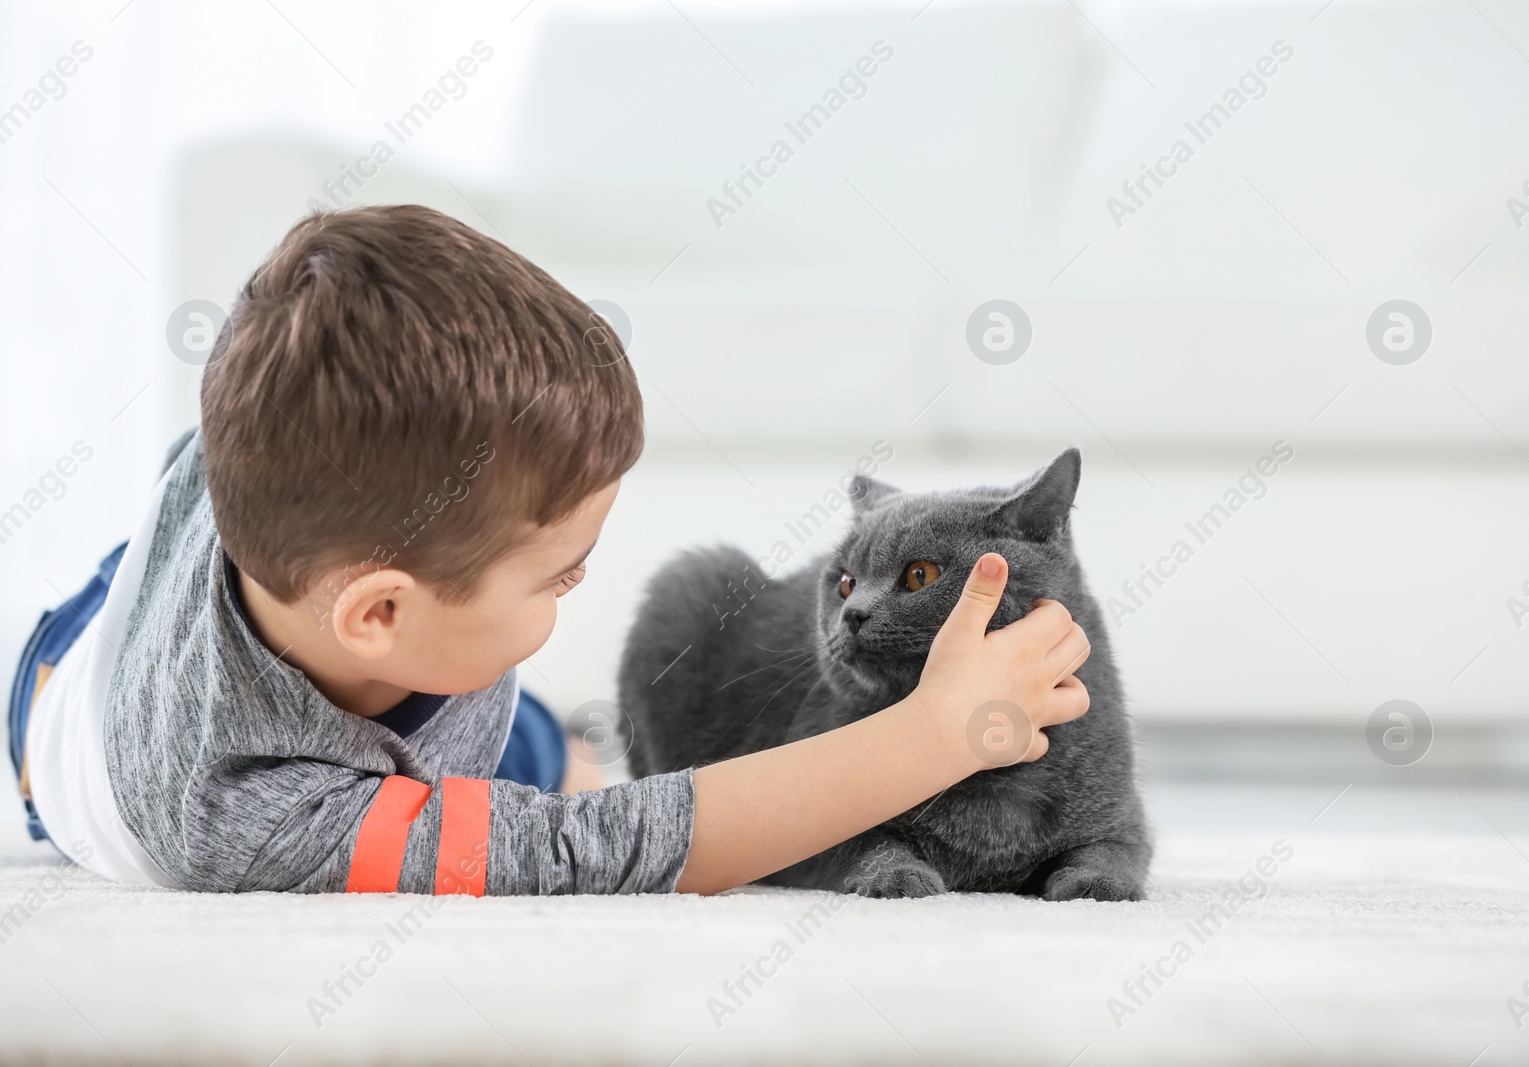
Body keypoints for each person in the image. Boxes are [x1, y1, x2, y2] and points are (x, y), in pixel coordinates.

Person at [7, 204, 1091, 897]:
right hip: (74, 690)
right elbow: (620, 845)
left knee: (512, 733)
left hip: (207, 548)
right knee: (548, 792)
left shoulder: (294, 469)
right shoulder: (271, 821)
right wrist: (937, 733)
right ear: (380, 613)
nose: (584, 583)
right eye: (558, 573)